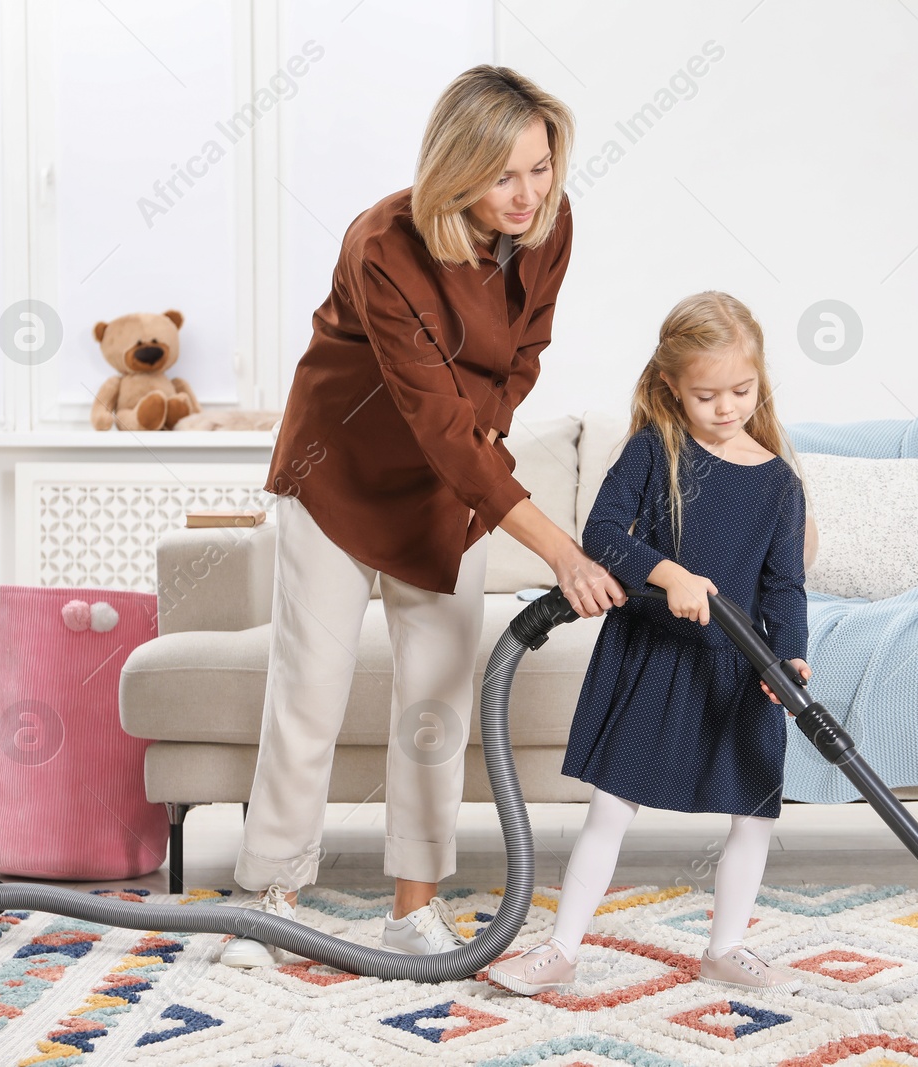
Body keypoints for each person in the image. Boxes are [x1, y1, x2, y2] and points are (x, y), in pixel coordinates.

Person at [219, 67, 625, 968]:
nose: (528, 195)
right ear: (456, 170)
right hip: (341, 475)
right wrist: (560, 548)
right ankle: (271, 905)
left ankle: (413, 909)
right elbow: (434, 420)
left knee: (434, 708)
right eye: (504, 175)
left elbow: (523, 357)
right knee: (308, 694)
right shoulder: (383, 246)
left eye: (541, 169)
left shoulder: (548, 228)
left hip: (452, 487)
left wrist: (492, 430)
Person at [486, 291, 813, 996]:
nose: (727, 408)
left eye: (742, 390)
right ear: (671, 385)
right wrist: (671, 574)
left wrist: (790, 656)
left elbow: (785, 584)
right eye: (707, 394)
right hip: (656, 655)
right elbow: (603, 535)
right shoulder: (654, 448)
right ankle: (562, 948)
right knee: (610, 810)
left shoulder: (781, 483)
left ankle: (727, 947)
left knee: (753, 817)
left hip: (741, 665)